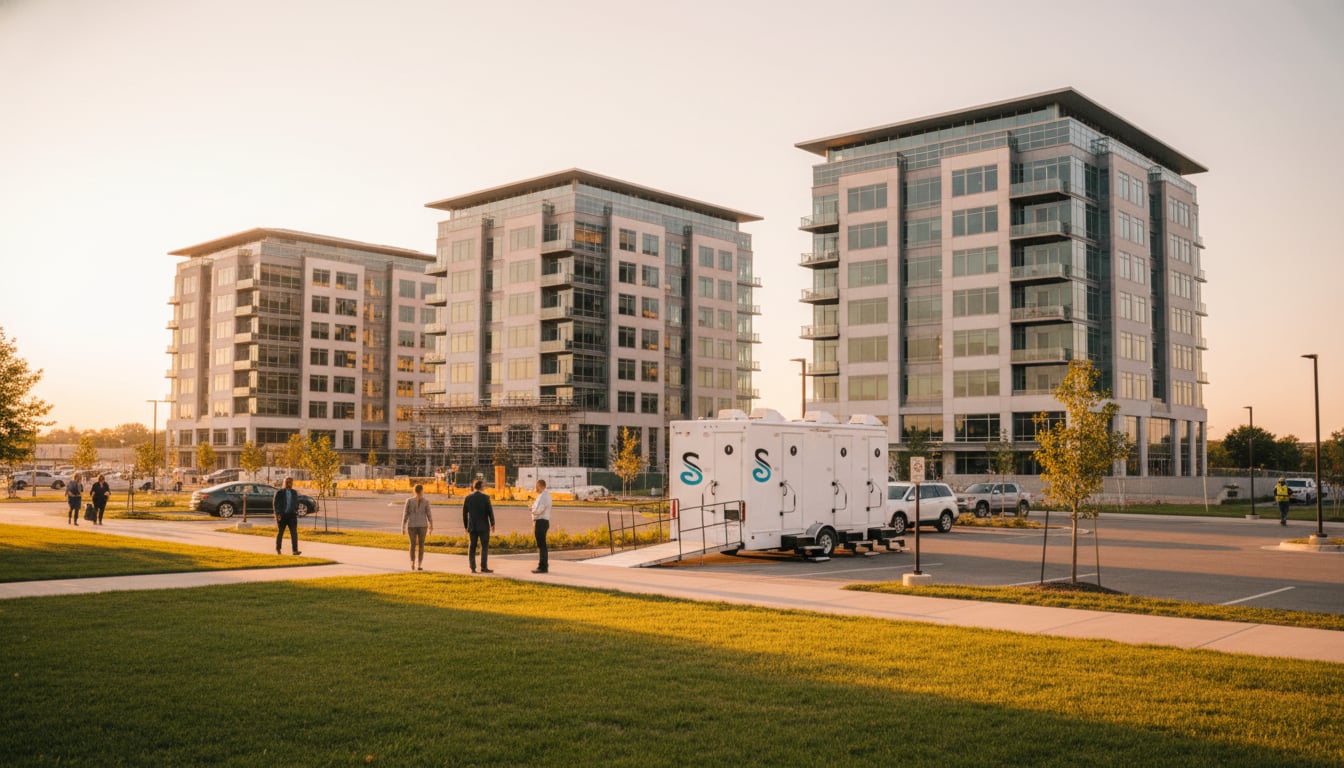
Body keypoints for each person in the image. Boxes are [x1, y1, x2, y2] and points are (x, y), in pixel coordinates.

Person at [461, 479, 495, 573]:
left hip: (472, 526)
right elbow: (490, 512)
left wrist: (466, 525)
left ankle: (473, 567)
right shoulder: (486, 498)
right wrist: (492, 523)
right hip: (484, 526)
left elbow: (464, 513)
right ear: (481, 487)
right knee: (484, 547)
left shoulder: (468, 498)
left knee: (472, 547)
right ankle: (484, 567)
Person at [402, 483, 434, 571]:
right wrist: (431, 525)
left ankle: (415, 563)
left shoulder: (415, 501)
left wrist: (403, 526)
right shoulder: (415, 501)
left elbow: (405, 514)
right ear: (421, 491)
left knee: (415, 545)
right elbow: (429, 514)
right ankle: (416, 563)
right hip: (418, 526)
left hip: (416, 525)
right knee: (418, 545)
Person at [273, 477, 302, 555]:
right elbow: (276, 505)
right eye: (287, 482)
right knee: (280, 533)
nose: (289, 484)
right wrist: (278, 514)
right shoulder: (279, 492)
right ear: (284, 483)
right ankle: (278, 548)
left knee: (294, 533)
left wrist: (295, 510)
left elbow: (296, 502)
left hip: (292, 516)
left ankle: (295, 550)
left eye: (290, 482)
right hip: (282, 516)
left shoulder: (294, 492)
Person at [530, 479, 552, 574]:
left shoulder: (544, 497)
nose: (536, 488)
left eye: (537, 486)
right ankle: (543, 565)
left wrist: (532, 510)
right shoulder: (543, 496)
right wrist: (533, 509)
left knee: (542, 545)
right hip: (542, 521)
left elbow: (539, 509)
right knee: (542, 545)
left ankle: (542, 566)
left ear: (540, 486)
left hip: (541, 521)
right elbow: (537, 507)